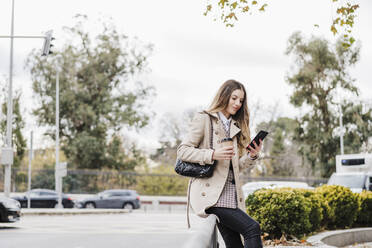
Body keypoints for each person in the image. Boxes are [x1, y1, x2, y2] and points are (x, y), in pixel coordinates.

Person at [177, 79, 263, 248]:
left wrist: (251, 156)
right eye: (234, 98)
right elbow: (182, 151)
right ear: (224, 96)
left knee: (234, 245)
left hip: (230, 195)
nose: (238, 103)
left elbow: (234, 167)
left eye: (241, 100)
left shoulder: (234, 127)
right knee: (252, 228)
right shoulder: (204, 119)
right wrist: (213, 154)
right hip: (211, 196)